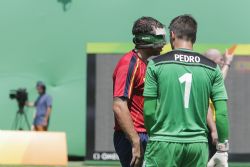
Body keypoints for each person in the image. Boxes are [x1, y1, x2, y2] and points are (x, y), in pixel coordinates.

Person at [143, 15, 230, 167]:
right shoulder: (212, 68)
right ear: (194, 38)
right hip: (197, 146)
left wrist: (155, 136)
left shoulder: (155, 64)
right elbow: (221, 113)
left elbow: (149, 112)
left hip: (163, 143)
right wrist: (222, 149)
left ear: (172, 35)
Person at [112, 16, 166, 167]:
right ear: (146, 39)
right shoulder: (128, 64)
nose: (164, 42)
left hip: (146, 135)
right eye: (159, 37)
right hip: (134, 136)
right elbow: (118, 106)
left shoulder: (147, 64)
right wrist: (135, 142)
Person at [204, 48, 234, 166]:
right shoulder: (205, 77)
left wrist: (227, 63)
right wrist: (214, 130)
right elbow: (206, 107)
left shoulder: (209, 76)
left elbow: (219, 79)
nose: (222, 61)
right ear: (212, 61)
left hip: (211, 128)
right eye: (220, 59)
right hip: (207, 127)